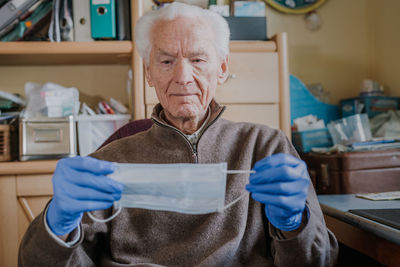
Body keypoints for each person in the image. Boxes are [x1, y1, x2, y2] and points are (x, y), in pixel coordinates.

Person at [19, 3, 338, 266]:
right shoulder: (111, 160)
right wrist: (56, 222)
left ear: (222, 68)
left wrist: (295, 224)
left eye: (198, 60)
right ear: (148, 71)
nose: (183, 77)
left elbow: (319, 261)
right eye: (167, 61)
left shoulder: (266, 147)